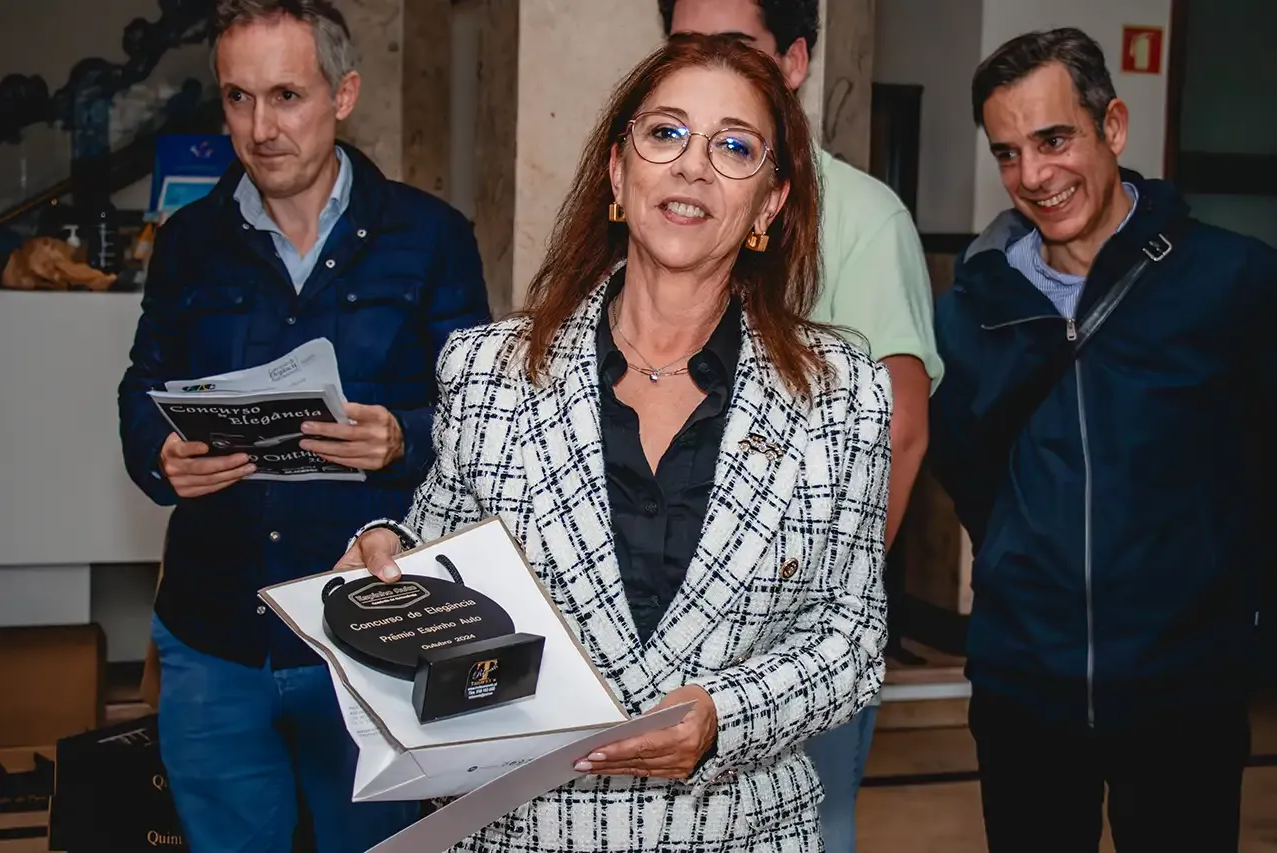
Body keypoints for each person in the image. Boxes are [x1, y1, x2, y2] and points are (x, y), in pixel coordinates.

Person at [337, 33, 891, 852]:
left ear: (770, 205)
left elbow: (852, 635)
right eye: (666, 133)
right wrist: (388, 558)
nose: (692, 166)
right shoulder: (488, 372)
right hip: (524, 832)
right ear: (618, 172)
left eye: (735, 147)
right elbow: (437, 557)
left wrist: (724, 717)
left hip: (740, 831)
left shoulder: (840, 394)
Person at [116, 1, 490, 850]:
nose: (260, 128)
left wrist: (404, 436)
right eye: (237, 98)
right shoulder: (188, 241)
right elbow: (142, 386)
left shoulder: (430, 237)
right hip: (216, 634)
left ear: (343, 94)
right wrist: (160, 453)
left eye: (286, 95)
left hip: (374, 634)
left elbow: (480, 421)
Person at [929, 27, 1277, 853]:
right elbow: (967, 472)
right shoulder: (974, 308)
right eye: (1008, 152)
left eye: (1054, 140)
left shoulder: (1235, 282)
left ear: (1112, 127)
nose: (1033, 175)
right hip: (1024, 695)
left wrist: (1238, 620)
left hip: (1183, 694)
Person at [659, 3, 943, 850]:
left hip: (789, 638)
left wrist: (825, 620)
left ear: (792, 61)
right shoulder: (661, 198)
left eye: (734, 46)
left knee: (807, 829)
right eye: (685, 47)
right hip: (663, 624)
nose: (707, 64)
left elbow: (901, 431)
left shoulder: (861, 214)